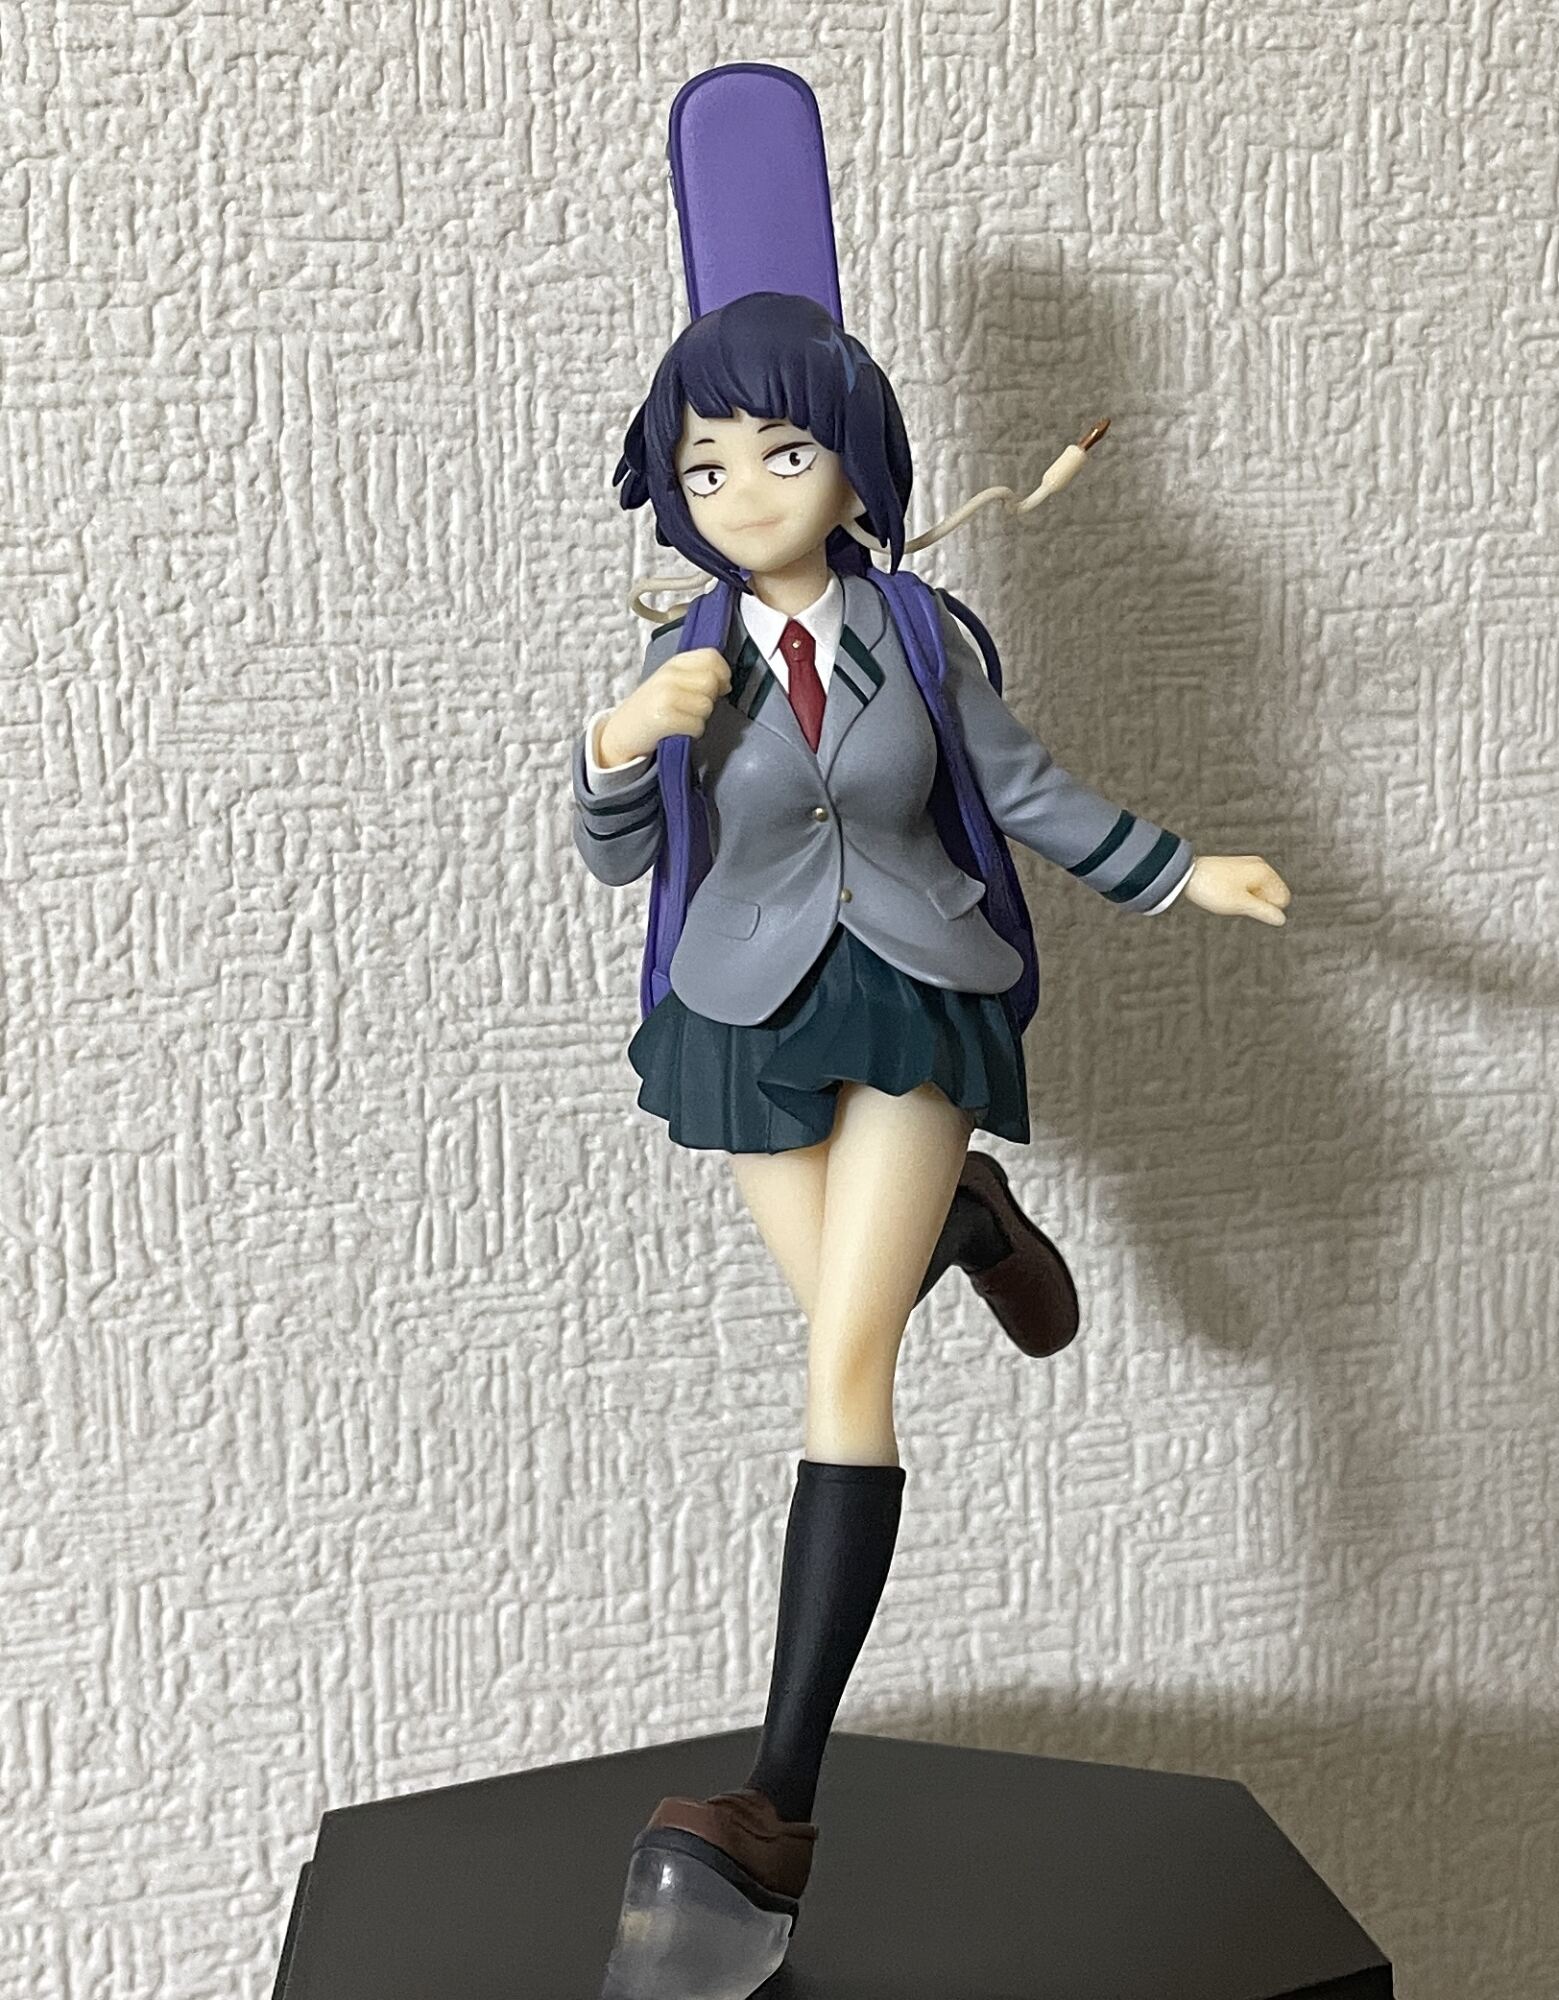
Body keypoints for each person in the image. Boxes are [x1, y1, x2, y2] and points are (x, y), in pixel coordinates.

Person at [569, 290, 1289, 1928]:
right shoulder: (684, 660)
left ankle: (777, 1801)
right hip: (744, 1013)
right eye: (704, 464)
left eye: (784, 452)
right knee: (848, 1311)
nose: (742, 492)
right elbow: (621, 861)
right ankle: (966, 1224)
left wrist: (1185, 873)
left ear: (855, 461)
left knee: (845, 1363)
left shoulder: (916, 632)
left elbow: (1020, 788)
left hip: (909, 988)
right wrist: (617, 747)